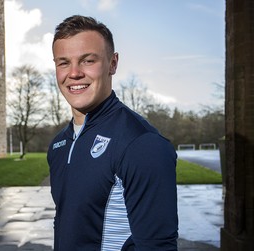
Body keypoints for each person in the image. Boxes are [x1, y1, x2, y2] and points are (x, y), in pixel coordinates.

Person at [47, 15, 178, 250]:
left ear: (112, 63)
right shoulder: (59, 144)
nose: (74, 73)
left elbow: (157, 246)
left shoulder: (142, 144)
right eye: (63, 62)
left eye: (88, 61)